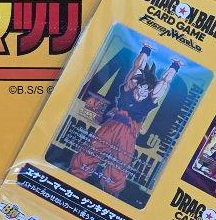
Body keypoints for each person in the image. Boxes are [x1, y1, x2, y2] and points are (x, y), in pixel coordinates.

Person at [70, 46, 181, 195]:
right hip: (112, 126)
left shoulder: (150, 99)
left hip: (129, 132)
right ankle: (76, 174)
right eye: (142, 87)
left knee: (121, 162)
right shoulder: (129, 89)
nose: (144, 91)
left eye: (147, 89)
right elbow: (137, 68)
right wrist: (146, 50)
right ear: (138, 85)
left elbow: (164, 82)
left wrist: (175, 66)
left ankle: (111, 190)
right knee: (93, 148)